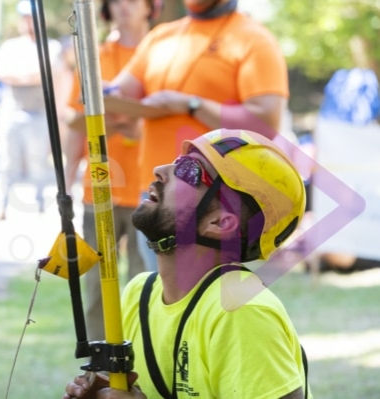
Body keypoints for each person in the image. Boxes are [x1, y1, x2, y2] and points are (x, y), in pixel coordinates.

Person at [64, 129, 311, 399]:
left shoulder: (241, 311)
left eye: (189, 170)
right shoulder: (140, 294)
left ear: (219, 223)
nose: (159, 170)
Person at [107, 0, 289, 272]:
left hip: (215, 197)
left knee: (209, 301)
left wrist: (190, 104)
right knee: (161, 298)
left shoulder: (254, 38)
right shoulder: (160, 36)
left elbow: (265, 122)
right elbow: (119, 95)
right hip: (156, 189)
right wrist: (102, 93)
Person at [64, 0, 156, 341]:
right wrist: (117, 127)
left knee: (145, 279)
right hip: (101, 187)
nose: (123, 7)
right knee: (96, 284)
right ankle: (100, 365)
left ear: (150, 7)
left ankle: (143, 356)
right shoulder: (95, 55)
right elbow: (75, 119)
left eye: (133, 0)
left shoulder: (162, 52)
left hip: (151, 188)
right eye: (115, 0)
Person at [0, 0, 64, 220]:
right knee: (6, 160)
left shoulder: (51, 46)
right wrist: (28, 76)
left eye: (31, 17)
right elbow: (1, 71)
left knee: (38, 161)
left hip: (39, 112)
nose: (27, 22)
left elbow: (48, 73)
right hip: (11, 109)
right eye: (24, 17)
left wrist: (23, 75)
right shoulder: (10, 46)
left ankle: (39, 204)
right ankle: (1, 204)